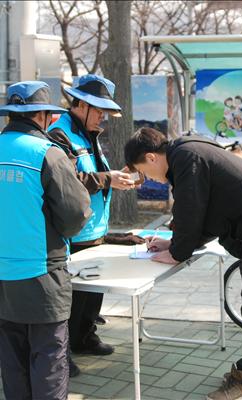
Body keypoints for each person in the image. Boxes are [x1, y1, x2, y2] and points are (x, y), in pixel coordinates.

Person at [124, 128, 242, 400]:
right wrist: (174, 244)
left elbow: (190, 208)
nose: (152, 180)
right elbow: (206, 212)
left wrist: (178, 252)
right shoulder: (187, 151)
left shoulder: (185, 158)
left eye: (145, 172)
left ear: (151, 157)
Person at [0, 81, 91, 400]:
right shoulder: (47, 153)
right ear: (40, 115)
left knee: (12, 363)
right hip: (42, 275)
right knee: (48, 362)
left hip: (2, 276)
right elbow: (76, 214)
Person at [48, 74, 137, 376]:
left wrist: (112, 177)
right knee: (71, 298)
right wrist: (107, 178)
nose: (103, 118)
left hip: (93, 229)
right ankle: (64, 352)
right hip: (74, 231)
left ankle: (85, 337)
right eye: (100, 111)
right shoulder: (59, 134)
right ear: (82, 105)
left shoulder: (89, 133)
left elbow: (92, 173)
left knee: (91, 295)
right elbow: (68, 182)